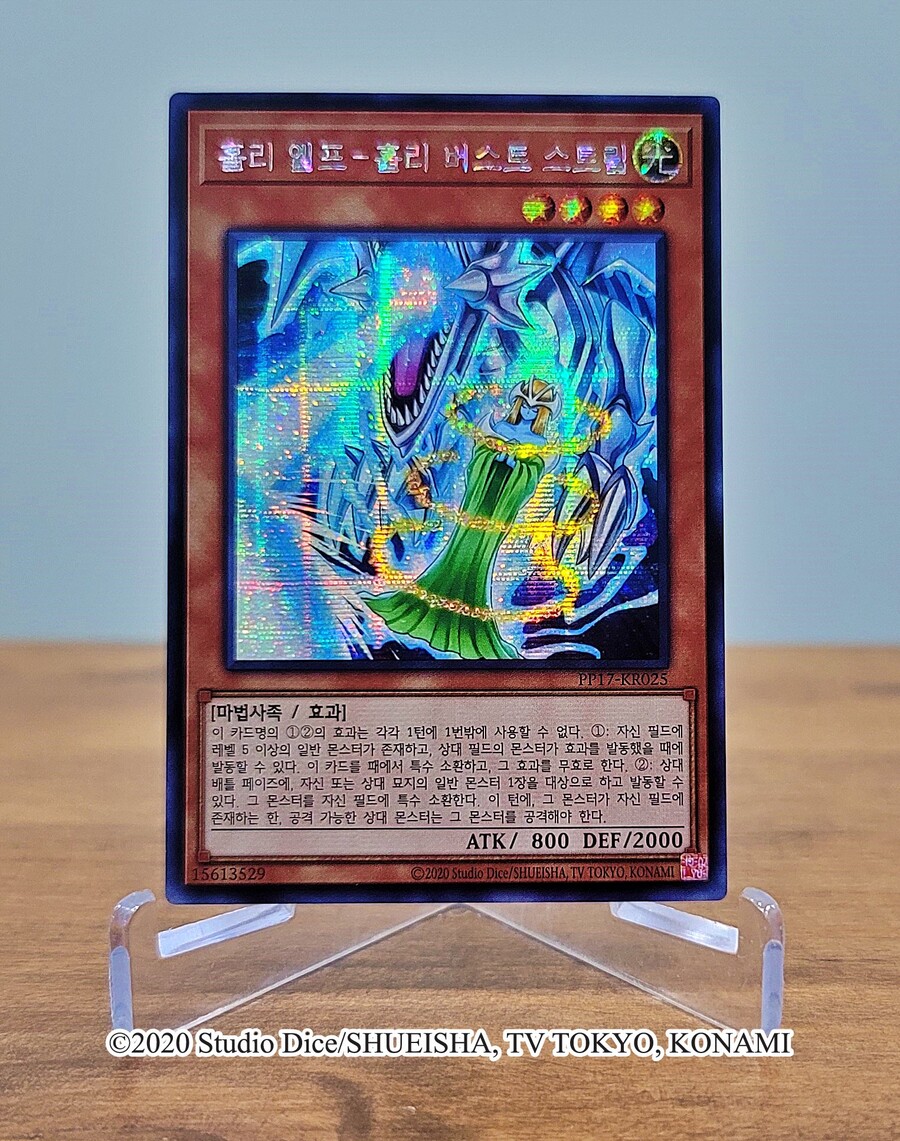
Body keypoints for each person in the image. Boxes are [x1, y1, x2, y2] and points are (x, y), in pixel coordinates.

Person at [366, 377, 561, 659]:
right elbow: (478, 458)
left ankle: (470, 624)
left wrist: (516, 466)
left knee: (480, 560)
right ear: (518, 402)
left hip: (499, 512)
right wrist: (494, 457)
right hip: (477, 504)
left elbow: (531, 477)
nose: (529, 411)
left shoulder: (541, 443)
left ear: (544, 412)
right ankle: (427, 606)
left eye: (536, 407)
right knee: (456, 551)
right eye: (525, 404)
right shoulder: (498, 426)